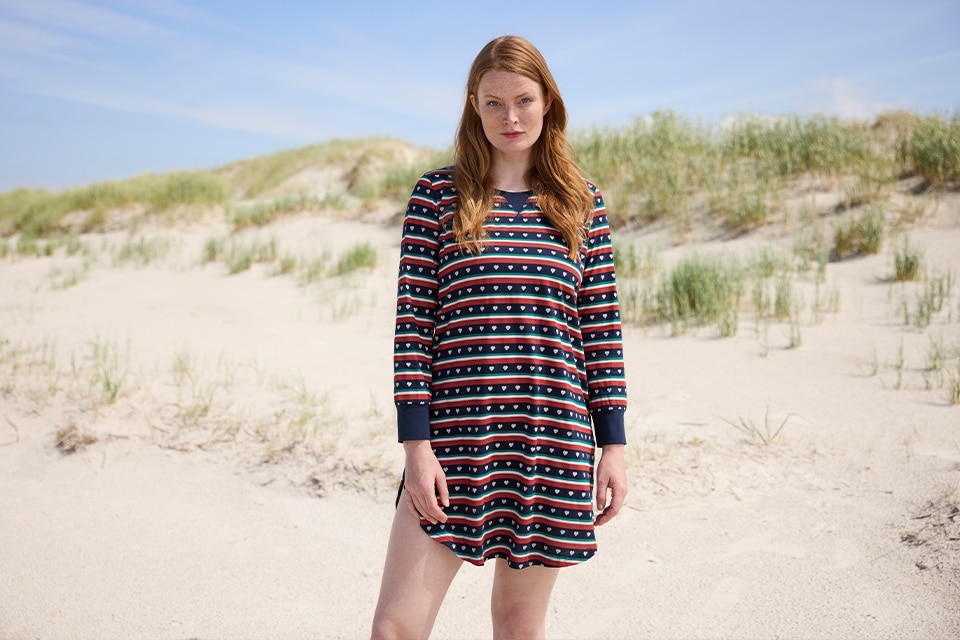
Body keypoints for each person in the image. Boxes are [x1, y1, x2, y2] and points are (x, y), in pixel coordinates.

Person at [371, 35, 628, 640]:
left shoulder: (580, 202)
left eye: (523, 100)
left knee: (518, 627)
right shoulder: (438, 196)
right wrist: (416, 446)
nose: (509, 118)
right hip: (455, 439)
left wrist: (613, 445)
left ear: (548, 103)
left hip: (551, 438)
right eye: (492, 103)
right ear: (473, 106)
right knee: (395, 629)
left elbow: (601, 332)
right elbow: (413, 329)